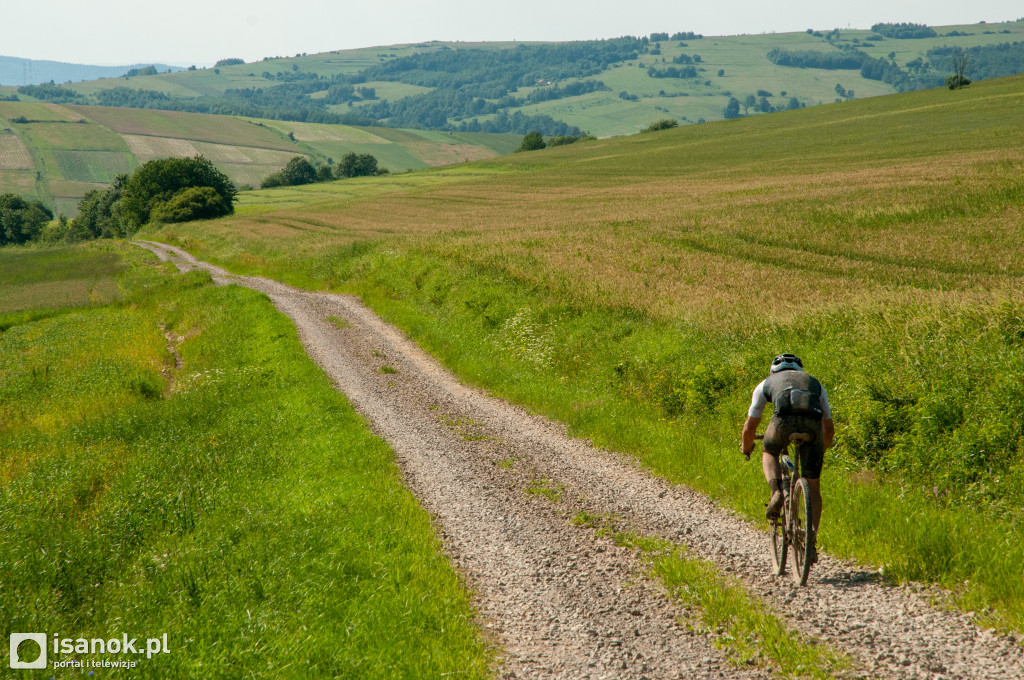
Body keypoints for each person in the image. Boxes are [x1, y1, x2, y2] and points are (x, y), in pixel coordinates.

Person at [740, 353, 834, 561]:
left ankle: (776, 493)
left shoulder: (766, 384)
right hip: (812, 429)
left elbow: (750, 427)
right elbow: (828, 428)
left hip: (782, 425)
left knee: (770, 451)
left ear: (773, 371)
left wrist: (746, 449)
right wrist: (818, 452)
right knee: (814, 489)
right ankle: (810, 541)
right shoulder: (815, 384)